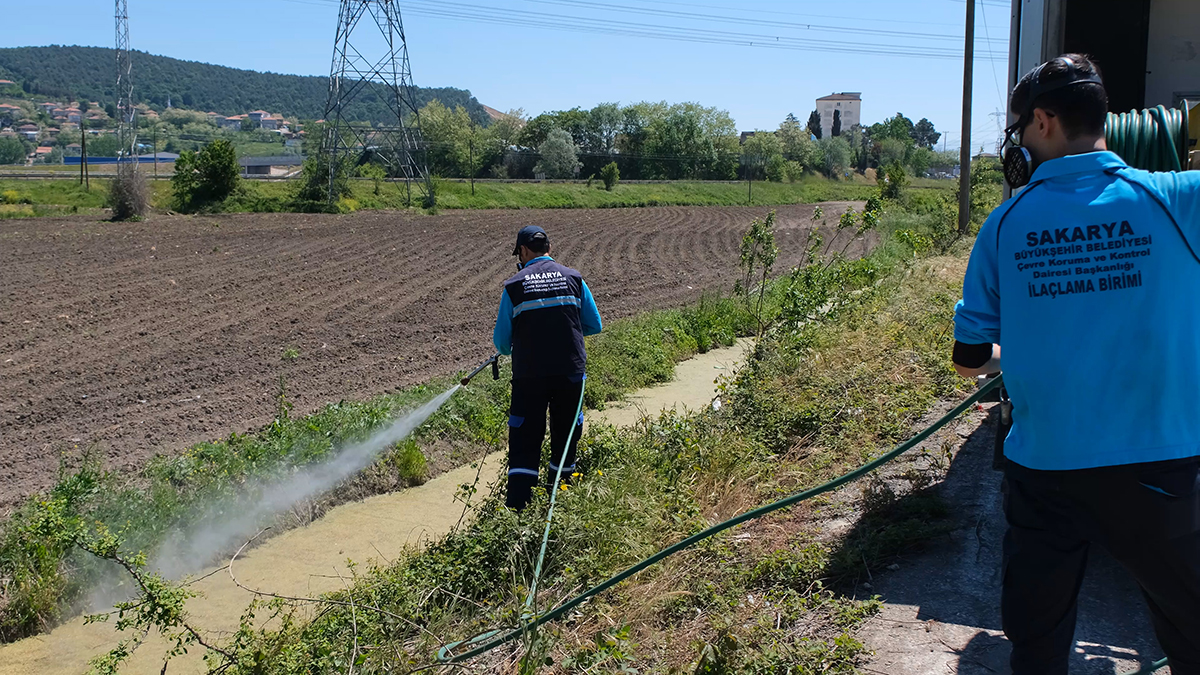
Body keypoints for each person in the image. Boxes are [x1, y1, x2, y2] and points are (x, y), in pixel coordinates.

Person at [952, 54, 1200, 675]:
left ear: (1043, 121)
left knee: (1037, 641)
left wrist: (1022, 355)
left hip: (1045, 471)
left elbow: (970, 358)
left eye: (1018, 129)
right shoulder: (1179, 198)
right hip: (1158, 467)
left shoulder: (1006, 224)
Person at [494, 225, 602, 510]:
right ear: (549, 249)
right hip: (570, 373)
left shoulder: (514, 285)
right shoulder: (574, 279)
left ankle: (519, 508)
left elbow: (502, 343)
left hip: (529, 376)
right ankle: (560, 501)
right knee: (566, 435)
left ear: (523, 251)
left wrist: (524, 341)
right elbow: (594, 324)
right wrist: (563, 332)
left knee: (525, 439)